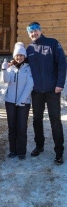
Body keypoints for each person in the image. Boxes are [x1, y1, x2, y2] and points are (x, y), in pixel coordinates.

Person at [26, 22, 67, 164]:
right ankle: (39, 145)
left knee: (55, 120)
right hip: (36, 91)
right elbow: (23, 65)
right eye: (31, 32)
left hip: (52, 90)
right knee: (37, 119)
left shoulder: (52, 43)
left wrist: (60, 84)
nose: (34, 34)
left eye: (35, 31)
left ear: (40, 30)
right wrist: (11, 64)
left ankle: (59, 152)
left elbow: (62, 63)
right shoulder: (29, 49)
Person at [1, 42, 34, 160]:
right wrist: (4, 69)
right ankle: (12, 150)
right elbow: (6, 80)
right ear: (14, 56)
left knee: (22, 126)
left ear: (24, 56)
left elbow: (30, 84)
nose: (19, 57)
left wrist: (22, 100)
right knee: (12, 126)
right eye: (17, 55)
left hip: (24, 103)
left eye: (21, 55)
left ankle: (21, 151)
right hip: (10, 101)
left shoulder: (28, 69)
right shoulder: (11, 68)